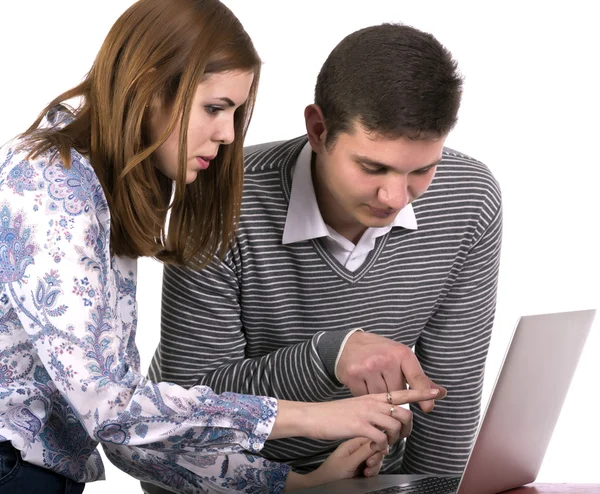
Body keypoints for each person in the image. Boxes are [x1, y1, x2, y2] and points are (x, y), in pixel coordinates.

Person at [0, 2, 443, 493]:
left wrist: (296, 482)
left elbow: (129, 428)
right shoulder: (50, 183)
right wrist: (312, 418)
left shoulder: (96, 187)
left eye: (235, 113)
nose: (228, 134)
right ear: (148, 87)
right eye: (214, 108)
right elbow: (109, 409)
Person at [147, 21, 502, 484]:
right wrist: (327, 356)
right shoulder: (223, 198)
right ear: (318, 130)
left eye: (422, 170)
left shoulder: (468, 199)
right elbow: (188, 404)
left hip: (369, 480)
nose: (395, 196)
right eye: (372, 167)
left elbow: (447, 400)